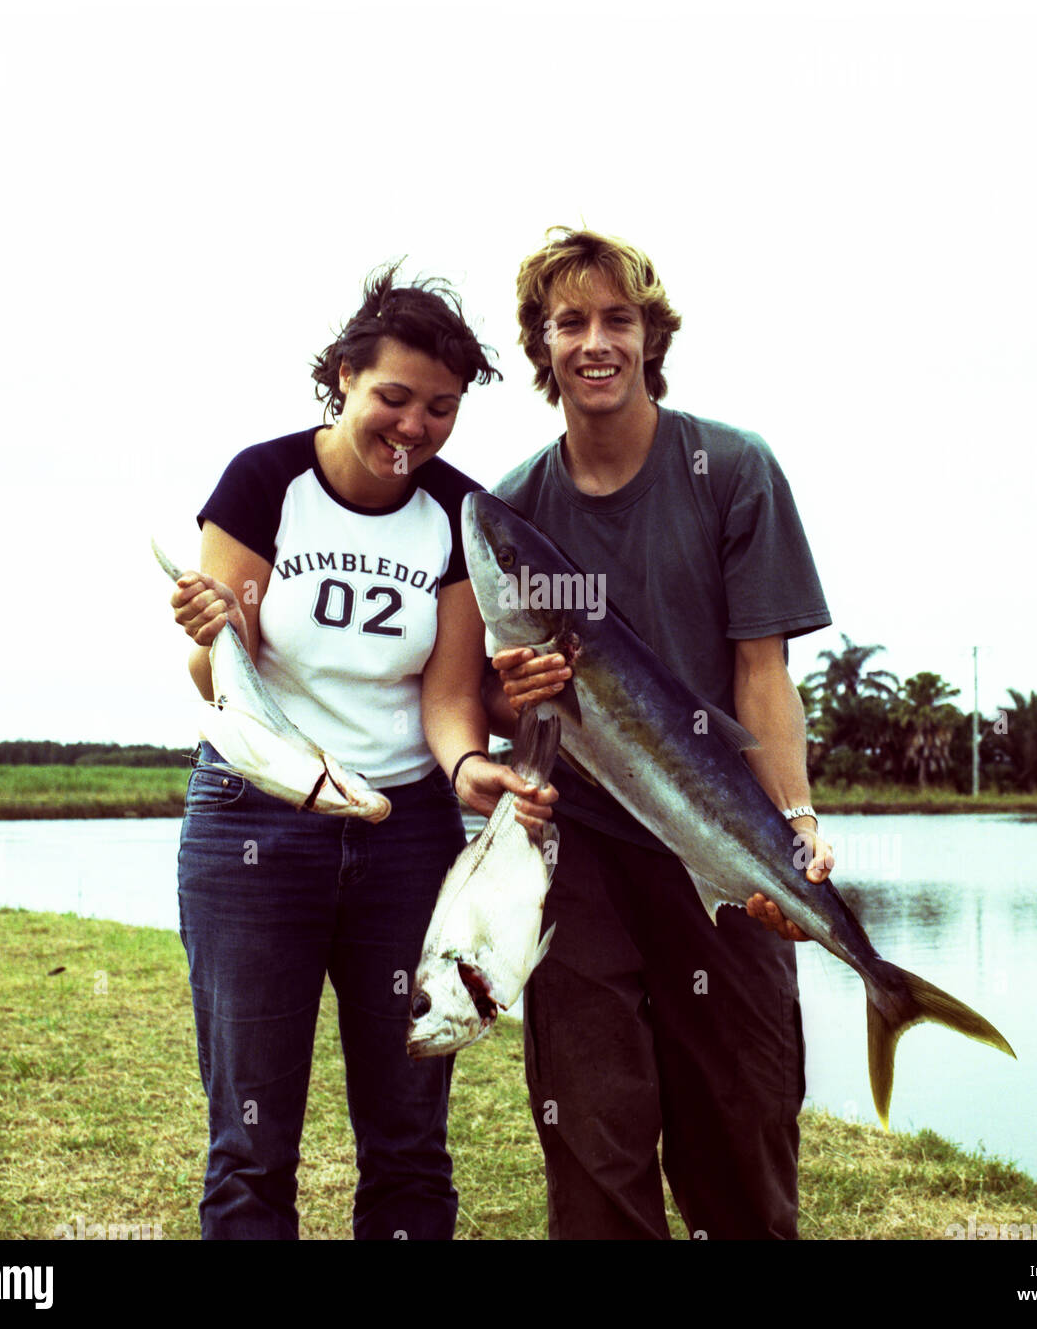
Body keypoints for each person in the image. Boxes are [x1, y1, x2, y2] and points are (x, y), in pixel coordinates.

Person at [168, 263, 553, 1240]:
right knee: (251, 1144)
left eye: (441, 408)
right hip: (256, 827)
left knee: (409, 1142)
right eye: (392, 396)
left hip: (406, 839)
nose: (412, 427)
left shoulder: (460, 517)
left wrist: (470, 770)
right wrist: (208, 631)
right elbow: (219, 687)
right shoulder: (262, 482)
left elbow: (450, 697)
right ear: (342, 376)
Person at [485, 227, 836, 1240]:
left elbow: (761, 672)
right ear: (541, 346)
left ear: (650, 337)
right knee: (594, 1143)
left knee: (741, 1128)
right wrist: (518, 691)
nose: (595, 342)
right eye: (569, 323)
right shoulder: (513, 507)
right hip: (581, 853)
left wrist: (795, 817)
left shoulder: (731, 469)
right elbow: (495, 701)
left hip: (723, 843)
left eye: (617, 319)